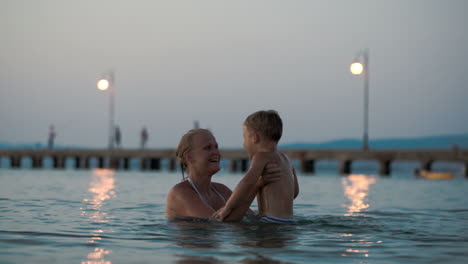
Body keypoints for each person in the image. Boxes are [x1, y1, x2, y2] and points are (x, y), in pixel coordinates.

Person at [166, 128, 280, 220]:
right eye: (208, 148)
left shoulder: (221, 190)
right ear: (189, 157)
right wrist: (256, 186)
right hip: (196, 246)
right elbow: (217, 225)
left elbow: (252, 218)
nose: (216, 152)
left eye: (216, 147)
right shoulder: (179, 193)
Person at [213, 110, 299, 224]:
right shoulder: (285, 159)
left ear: (254, 137)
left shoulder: (261, 156)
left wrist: (227, 207)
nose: (243, 144)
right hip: (289, 221)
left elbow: (246, 183)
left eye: (244, 137)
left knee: (237, 236)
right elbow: (294, 194)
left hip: (270, 220)